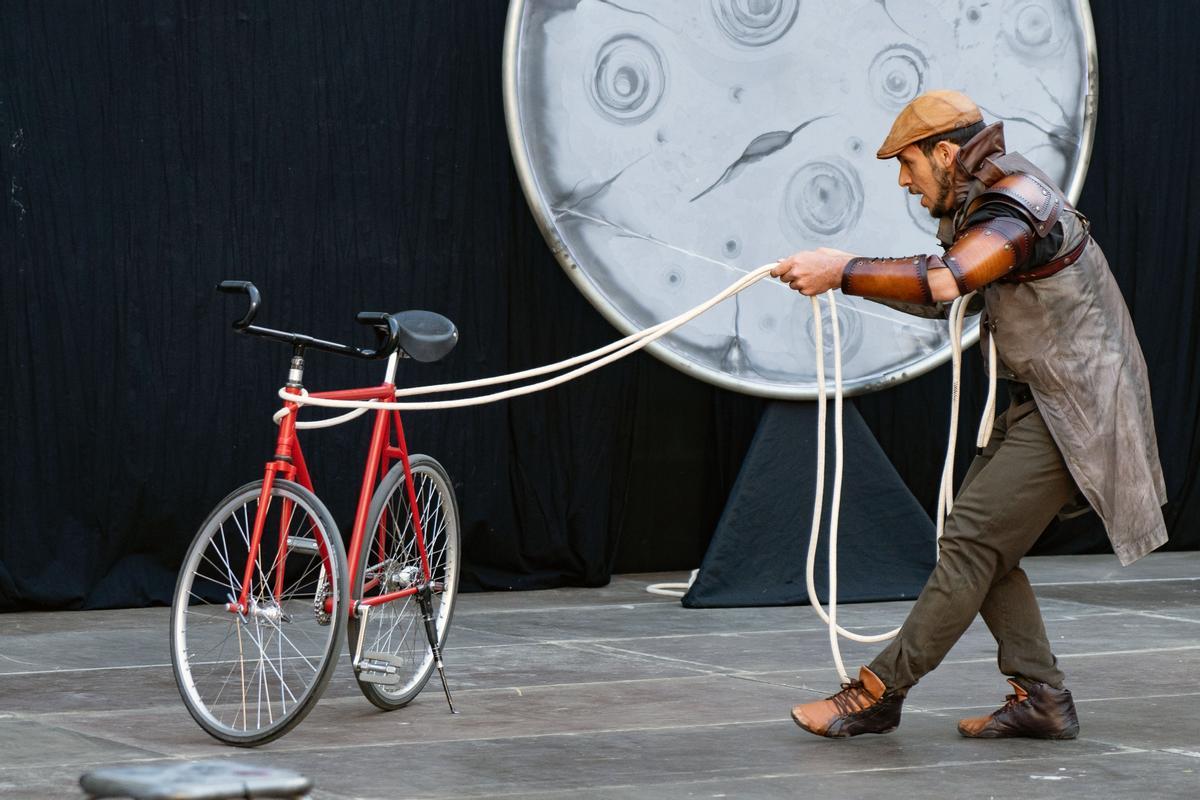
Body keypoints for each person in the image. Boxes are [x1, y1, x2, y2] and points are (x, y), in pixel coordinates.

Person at [773, 89, 1167, 740]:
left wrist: (842, 270)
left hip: (1076, 409)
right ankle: (1042, 695)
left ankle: (875, 694)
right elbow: (941, 297)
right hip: (1041, 400)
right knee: (986, 550)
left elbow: (946, 281)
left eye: (908, 164)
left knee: (971, 546)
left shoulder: (1018, 207)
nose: (904, 180)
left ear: (947, 153)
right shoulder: (985, 208)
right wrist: (836, 275)